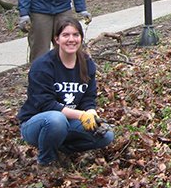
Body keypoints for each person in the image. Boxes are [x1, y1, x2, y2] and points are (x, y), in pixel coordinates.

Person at [18, 16, 114, 166]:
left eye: (76, 35)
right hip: (38, 123)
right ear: (57, 39)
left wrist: (91, 112)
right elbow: (46, 105)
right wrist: (81, 115)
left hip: (69, 121)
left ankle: (61, 149)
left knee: (106, 135)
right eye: (65, 35)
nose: (71, 39)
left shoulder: (87, 64)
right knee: (57, 120)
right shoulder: (43, 66)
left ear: (81, 38)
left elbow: (89, 98)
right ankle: (46, 161)